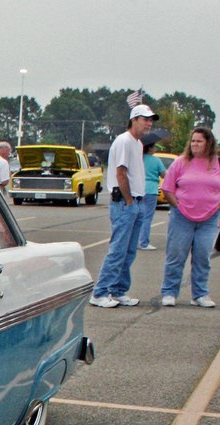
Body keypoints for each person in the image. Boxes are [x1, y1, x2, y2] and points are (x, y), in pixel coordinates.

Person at [90, 104, 159, 308]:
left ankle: (118, 290)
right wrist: (128, 199)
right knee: (118, 250)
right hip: (124, 202)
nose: (149, 123)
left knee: (129, 251)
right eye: (145, 119)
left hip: (137, 201)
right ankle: (100, 292)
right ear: (134, 119)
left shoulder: (137, 144)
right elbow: (121, 172)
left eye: (150, 120)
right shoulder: (124, 141)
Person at [158, 126, 220, 307]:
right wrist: (177, 205)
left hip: (209, 219)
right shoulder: (180, 162)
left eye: (199, 141)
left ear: (208, 143)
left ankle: (200, 294)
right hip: (182, 218)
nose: (195, 144)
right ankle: (169, 292)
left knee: (202, 257)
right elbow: (167, 188)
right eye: (193, 140)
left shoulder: (217, 163)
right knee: (176, 255)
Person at [138, 132, 168, 250]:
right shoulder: (156, 161)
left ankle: (135, 241)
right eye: (154, 146)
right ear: (150, 147)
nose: (155, 148)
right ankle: (144, 242)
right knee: (147, 217)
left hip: (138, 189)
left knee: (137, 216)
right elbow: (164, 174)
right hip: (151, 189)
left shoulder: (138, 159)